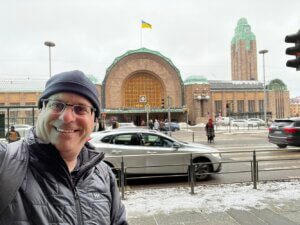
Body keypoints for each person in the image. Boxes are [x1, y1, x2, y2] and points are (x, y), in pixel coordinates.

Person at [0, 70, 128, 225]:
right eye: (57, 105)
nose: (67, 117)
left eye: (80, 109)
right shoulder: (4, 162)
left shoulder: (104, 175)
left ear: (94, 121)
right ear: (41, 111)